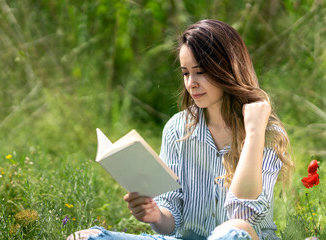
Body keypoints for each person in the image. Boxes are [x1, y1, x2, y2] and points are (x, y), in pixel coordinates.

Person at [67, 19, 293, 240]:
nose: (191, 83)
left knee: (232, 228)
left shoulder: (267, 133)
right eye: (186, 73)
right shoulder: (177, 129)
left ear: (227, 68)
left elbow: (243, 216)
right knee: (86, 237)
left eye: (200, 71)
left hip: (240, 236)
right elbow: (170, 218)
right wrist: (155, 215)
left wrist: (253, 133)